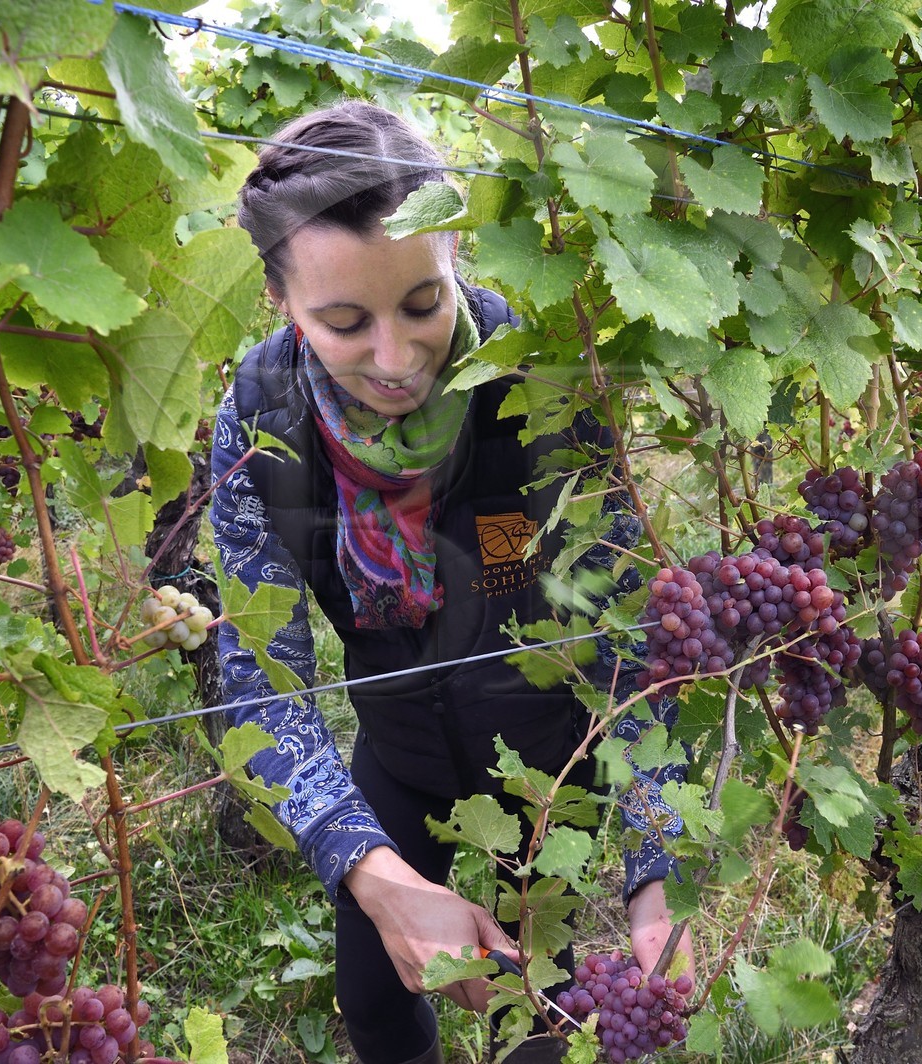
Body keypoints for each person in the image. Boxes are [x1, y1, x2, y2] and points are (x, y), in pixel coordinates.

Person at [208, 100, 693, 1064]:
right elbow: (262, 680)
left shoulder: (543, 389)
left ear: (457, 249)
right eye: (344, 322)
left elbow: (630, 627)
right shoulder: (256, 430)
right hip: (402, 757)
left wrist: (656, 873)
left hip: (545, 755)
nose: (396, 359)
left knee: (539, 1017)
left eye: (423, 303)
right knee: (376, 999)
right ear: (280, 301)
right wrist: (376, 874)